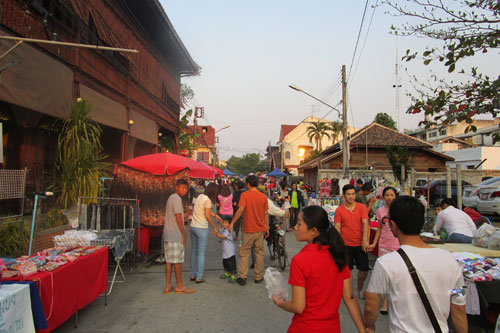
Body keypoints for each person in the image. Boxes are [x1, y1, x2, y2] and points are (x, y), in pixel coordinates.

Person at [364, 196, 467, 333]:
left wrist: (369, 327)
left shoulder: (386, 263)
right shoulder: (450, 261)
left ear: (392, 224)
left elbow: (371, 305)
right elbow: (459, 307)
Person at [272, 206, 366, 333]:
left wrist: (280, 303)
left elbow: (298, 306)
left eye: (299, 224)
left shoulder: (300, 261)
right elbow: (349, 298)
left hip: (305, 327)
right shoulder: (338, 255)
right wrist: (363, 330)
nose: (295, 227)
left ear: (313, 231)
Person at [229, 175, 269, 285]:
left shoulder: (245, 195)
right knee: (259, 253)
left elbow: (241, 209)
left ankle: (242, 276)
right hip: (260, 229)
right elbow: (266, 214)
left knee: (244, 252)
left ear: (248, 184)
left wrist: (232, 223)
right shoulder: (263, 197)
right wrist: (267, 227)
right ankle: (259, 276)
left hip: (248, 229)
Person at [367, 186, 400, 315]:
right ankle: (385, 303)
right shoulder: (380, 211)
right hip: (383, 245)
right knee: (386, 275)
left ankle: (397, 302)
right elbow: (379, 229)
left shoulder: (400, 210)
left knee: (397, 276)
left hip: (397, 246)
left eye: (392, 195)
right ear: (383, 197)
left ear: (395, 196)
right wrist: (374, 243)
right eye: (387, 195)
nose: (389, 198)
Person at [334, 184, 370, 299]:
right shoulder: (339, 210)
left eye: (353, 194)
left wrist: (365, 240)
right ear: (344, 195)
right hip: (346, 245)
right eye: (348, 194)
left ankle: (359, 288)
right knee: (347, 271)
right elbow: (338, 227)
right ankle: (348, 292)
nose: (351, 197)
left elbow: (365, 223)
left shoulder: (361, 208)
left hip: (360, 244)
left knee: (364, 270)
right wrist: (338, 244)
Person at [163, 179, 194, 294]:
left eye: (185, 188)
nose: (184, 190)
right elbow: (178, 216)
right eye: (182, 188)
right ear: (176, 187)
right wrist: (183, 233)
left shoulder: (171, 197)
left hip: (168, 233)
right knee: (177, 261)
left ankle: (168, 286)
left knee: (169, 261)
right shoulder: (176, 198)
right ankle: (179, 286)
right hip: (175, 233)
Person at [190, 183, 221, 283]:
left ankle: (193, 274)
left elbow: (204, 211)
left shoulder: (200, 196)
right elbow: (207, 215)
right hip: (201, 228)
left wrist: (215, 215)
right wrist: (214, 227)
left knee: (194, 251)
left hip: (193, 227)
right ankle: (199, 277)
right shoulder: (207, 200)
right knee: (201, 253)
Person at [213, 217, 237, 283]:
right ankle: (227, 272)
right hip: (225, 251)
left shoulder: (228, 230)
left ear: (229, 224)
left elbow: (223, 236)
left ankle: (233, 275)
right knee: (225, 262)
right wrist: (220, 223)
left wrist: (216, 234)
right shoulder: (224, 229)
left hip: (230, 251)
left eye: (226, 223)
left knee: (231, 263)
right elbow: (219, 229)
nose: (224, 224)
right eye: (223, 222)